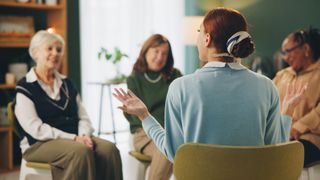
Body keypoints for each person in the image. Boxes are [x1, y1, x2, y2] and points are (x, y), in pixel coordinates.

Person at [113, 7, 307, 162]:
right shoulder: (267, 87)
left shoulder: (180, 87)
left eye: (199, 32)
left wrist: (144, 116)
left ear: (207, 39)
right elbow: (274, 149)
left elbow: (175, 155)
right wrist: (287, 111)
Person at [14, 30, 123, 180]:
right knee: (80, 151)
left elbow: (83, 117)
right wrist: (73, 138)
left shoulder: (67, 84)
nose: (55, 53)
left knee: (109, 149)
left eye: (59, 50)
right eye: (49, 49)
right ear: (35, 53)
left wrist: (84, 135)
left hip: (75, 139)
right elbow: (36, 129)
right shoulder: (25, 87)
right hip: (39, 144)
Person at [124, 34, 182, 180]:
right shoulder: (134, 79)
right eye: (156, 51)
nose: (160, 57)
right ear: (146, 51)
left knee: (181, 149)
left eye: (164, 53)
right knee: (167, 149)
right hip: (143, 133)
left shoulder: (175, 76)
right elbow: (133, 115)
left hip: (173, 133)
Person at [273, 27, 320, 167]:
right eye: (283, 53)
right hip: (279, 136)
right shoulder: (282, 75)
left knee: (283, 156)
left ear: (306, 49)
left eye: (288, 51)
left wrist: (297, 127)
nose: (285, 58)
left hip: (308, 139)